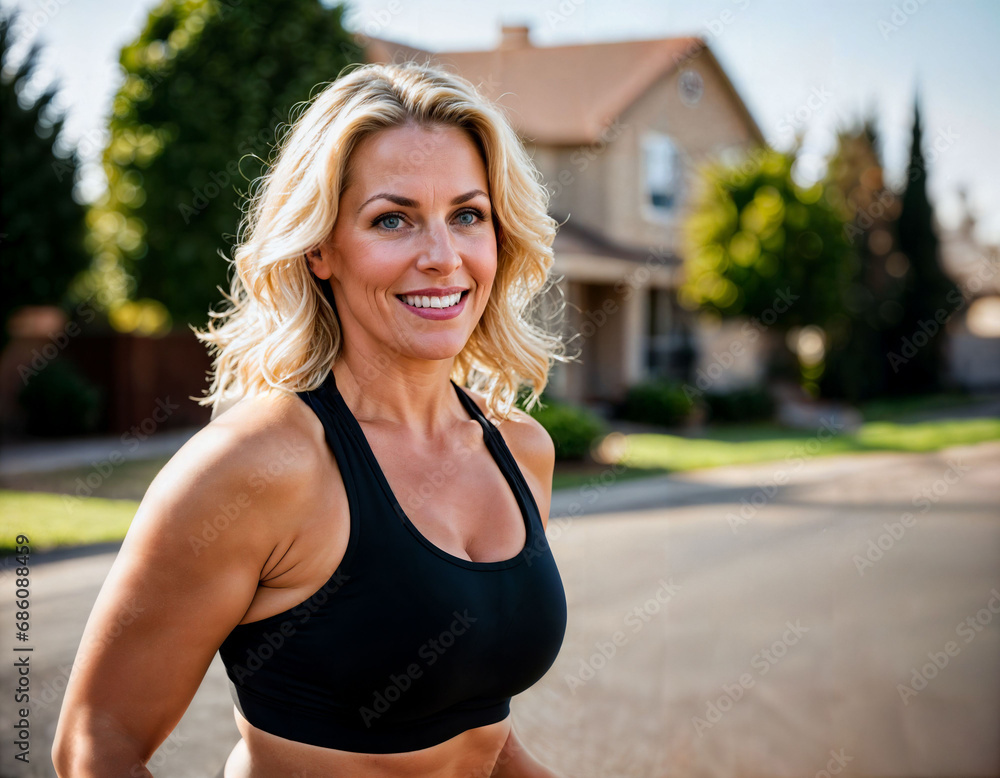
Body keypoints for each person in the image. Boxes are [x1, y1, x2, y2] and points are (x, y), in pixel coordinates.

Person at [52, 60, 571, 777]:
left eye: (467, 215)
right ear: (321, 248)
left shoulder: (520, 450)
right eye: (393, 219)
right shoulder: (256, 466)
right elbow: (95, 744)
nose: (442, 257)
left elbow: (471, 720)